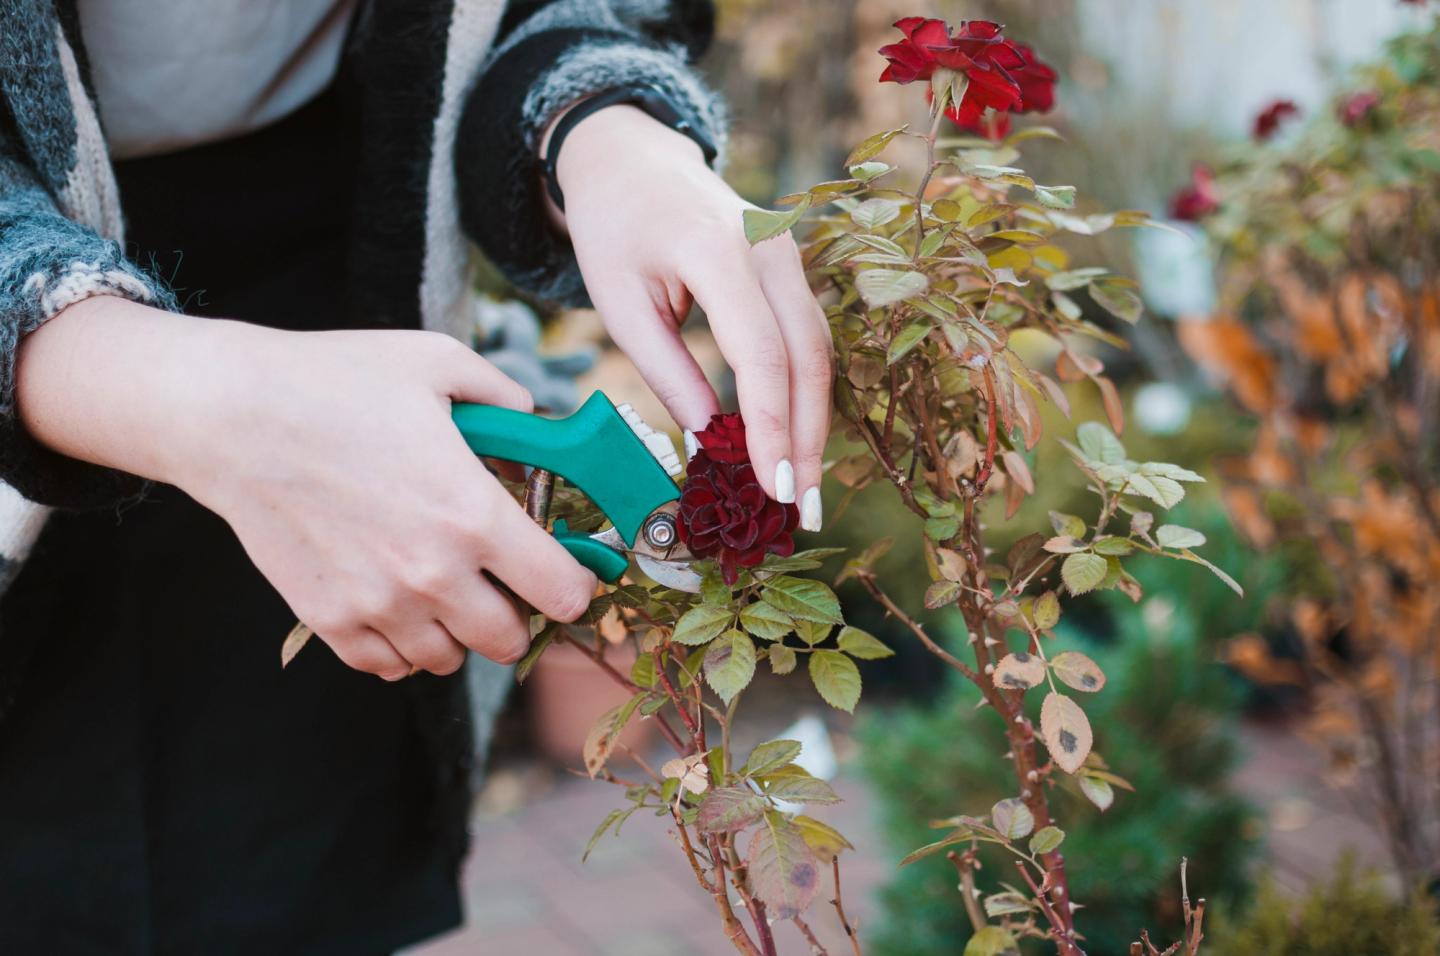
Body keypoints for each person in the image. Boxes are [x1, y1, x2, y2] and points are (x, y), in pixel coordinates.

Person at [0, 1, 832, 953]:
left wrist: (601, 127)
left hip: (359, 305)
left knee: (310, 875)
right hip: (58, 355)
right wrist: (190, 397)